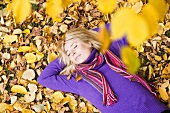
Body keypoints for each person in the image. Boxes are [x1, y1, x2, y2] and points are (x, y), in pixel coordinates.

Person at [37, 25, 170, 113]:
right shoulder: (77, 80)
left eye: (75, 46)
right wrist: (65, 55)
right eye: (69, 53)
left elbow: (125, 26)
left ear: (88, 42)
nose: (72, 52)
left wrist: (91, 34)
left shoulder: (111, 51)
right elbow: (44, 78)